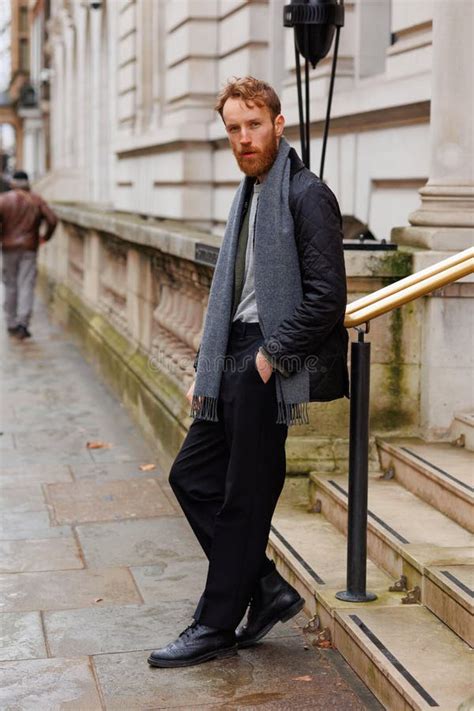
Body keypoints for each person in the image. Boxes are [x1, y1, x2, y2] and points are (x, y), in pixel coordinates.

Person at [148, 77, 349, 669]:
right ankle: (265, 588)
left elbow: (327, 296)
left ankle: (214, 624)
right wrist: (207, 368)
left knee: (244, 497)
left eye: (253, 125)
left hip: (267, 359)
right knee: (192, 476)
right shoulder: (249, 192)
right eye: (233, 128)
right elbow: (232, 292)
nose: (243, 138)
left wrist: (268, 357)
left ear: (279, 124)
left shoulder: (306, 193)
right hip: (233, 355)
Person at [0, 170, 57, 339]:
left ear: (13, 183)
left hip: (9, 247)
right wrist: (44, 238)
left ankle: (11, 323)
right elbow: (52, 220)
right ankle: (23, 323)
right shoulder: (36, 200)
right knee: (26, 284)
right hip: (29, 247)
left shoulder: (4, 200)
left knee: (10, 285)